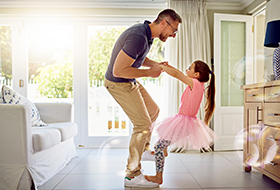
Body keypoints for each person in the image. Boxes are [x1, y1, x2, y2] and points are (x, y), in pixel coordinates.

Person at [104, 9, 182, 188]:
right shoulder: (138, 36)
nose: (173, 35)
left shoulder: (147, 35)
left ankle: (145, 149)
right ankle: (132, 175)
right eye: (174, 31)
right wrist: (149, 73)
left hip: (128, 80)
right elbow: (118, 70)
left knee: (153, 111)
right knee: (142, 125)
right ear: (164, 23)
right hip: (118, 82)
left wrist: (155, 64)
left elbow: (138, 57)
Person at [145, 60, 218, 185]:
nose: (187, 69)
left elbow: (177, 75)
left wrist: (162, 67)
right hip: (186, 122)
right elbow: (179, 73)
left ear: (196, 74)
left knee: (158, 147)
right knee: (162, 139)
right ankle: (164, 150)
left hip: (184, 122)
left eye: (190, 68)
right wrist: (169, 67)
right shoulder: (198, 84)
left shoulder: (194, 83)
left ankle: (158, 176)